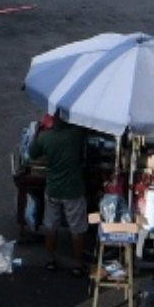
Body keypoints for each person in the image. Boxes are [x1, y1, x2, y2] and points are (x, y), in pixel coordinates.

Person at [32, 113, 93, 272]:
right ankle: (78, 264)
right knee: (77, 229)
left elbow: (31, 154)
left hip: (53, 189)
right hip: (73, 190)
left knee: (51, 226)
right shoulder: (77, 133)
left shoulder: (46, 137)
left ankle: (50, 260)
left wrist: (38, 131)